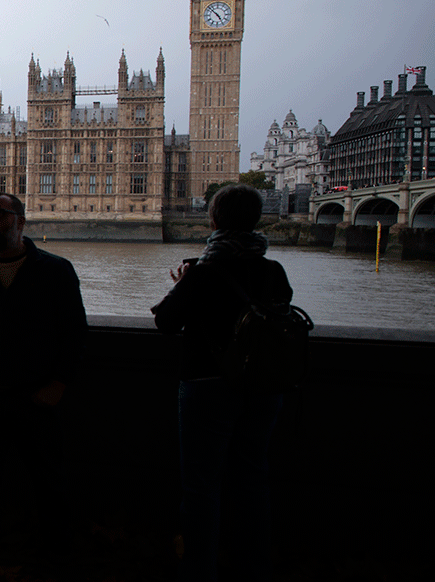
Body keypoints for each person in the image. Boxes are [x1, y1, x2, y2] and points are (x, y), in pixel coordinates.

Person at [152, 184, 292, 582]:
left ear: (213, 220)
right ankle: (254, 567)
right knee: (253, 480)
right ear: (257, 220)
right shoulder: (273, 270)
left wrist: (182, 282)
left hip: (208, 387)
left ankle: (199, 570)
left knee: (201, 487)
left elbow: (166, 323)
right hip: (263, 387)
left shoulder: (205, 271)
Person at [0, 192, 87, 581]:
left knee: (50, 486)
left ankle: (58, 562)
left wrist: (59, 383)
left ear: (21, 221)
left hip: (35, 398)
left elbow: (75, 333)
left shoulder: (56, 270)